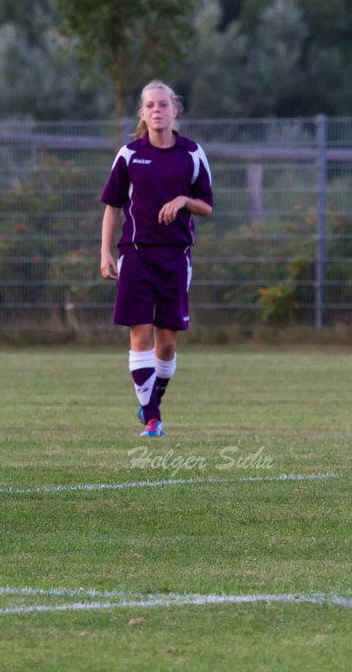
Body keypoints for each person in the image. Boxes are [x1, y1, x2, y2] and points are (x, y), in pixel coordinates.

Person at [99, 79, 213, 438]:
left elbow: (206, 206)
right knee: (140, 335)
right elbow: (112, 207)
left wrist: (183, 201)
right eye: (150, 105)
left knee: (167, 344)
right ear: (142, 113)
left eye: (163, 105)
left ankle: (153, 402)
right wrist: (105, 252)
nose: (157, 111)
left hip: (176, 258)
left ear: (174, 111)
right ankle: (151, 417)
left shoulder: (192, 154)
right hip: (135, 254)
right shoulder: (130, 154)